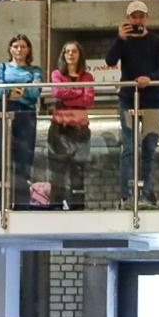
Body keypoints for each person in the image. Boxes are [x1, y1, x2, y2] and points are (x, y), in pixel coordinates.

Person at [105, 0, 159, 205]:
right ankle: (126, 194)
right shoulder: (123, 41)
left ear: (146, 18)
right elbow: (110, 61)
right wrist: (120, 39)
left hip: (153, 101)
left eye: (141, 16)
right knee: (129, 147)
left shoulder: (158, 42)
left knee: (149, 147)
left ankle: (147, 193)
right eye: (134, 17)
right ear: (128, 18)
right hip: (128, 100)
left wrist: (149, 78)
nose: (137, 20)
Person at [0, 34, 42, 212]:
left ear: (29, 49)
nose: (19, 49)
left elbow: (36, 92)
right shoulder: (1, 67)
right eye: (16, 46)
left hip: (26, 116)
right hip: (4, 114)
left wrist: (12, 90)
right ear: (10, 49)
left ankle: (22, 204)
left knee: (24, 160)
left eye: (23, 46)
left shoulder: (35, 70)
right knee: (1, 160)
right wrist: (22, 90)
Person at [46, 40, 93, 211]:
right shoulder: (57, 74)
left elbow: (88, 99)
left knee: (78, 173)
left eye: (74, 51)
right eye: (67, 51)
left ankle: (77, 209)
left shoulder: (87, 77)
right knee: (57, 173)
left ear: (80, 55)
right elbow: (57, 92)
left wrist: (68, 95)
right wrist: (78, 91)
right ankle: (55, 208)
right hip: (60, 128)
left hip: (80, 129)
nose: (70, 54)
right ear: (63, 55)